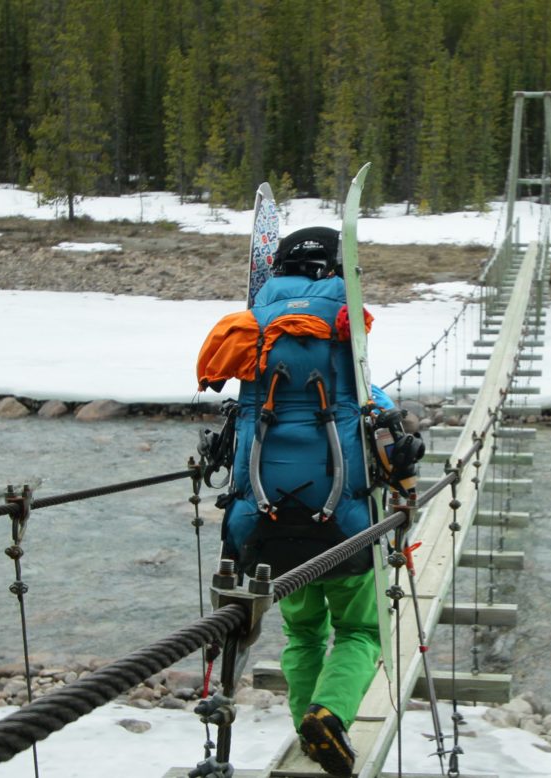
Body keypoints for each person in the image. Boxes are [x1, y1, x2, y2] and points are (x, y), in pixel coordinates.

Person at [196, 226, 417, 777]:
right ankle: (329, 714)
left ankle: (306, 727)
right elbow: (377, 411)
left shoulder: (251, 326)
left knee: (303, 632)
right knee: (362, 630)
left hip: (265, 521)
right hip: (343, 518)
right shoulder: (344, 329)